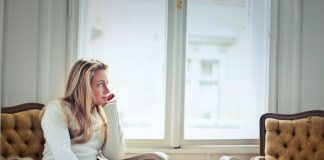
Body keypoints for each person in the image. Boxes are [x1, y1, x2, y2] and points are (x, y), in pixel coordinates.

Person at [40, 58, 126, 160]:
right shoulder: (57, 109)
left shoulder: (99, 114)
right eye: (100, 84)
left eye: (107, 83)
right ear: (84, 87)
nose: (108, 90)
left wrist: (111, 108)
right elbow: (62, 153)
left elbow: (115, 156)